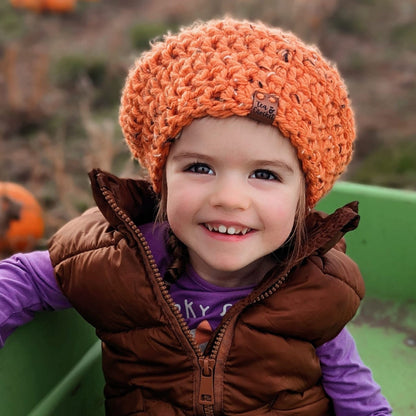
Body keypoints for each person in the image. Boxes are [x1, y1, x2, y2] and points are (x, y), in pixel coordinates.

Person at [0, 17, 392, 416]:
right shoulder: (117, 263)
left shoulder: (313, 289)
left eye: (264, 174)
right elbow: (25, 279)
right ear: (162, 180)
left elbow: (358, 397)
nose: (229, 199)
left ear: (302, 200)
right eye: (200, 168)